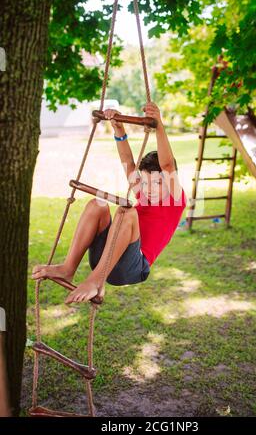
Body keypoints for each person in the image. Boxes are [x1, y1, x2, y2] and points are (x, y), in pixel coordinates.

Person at [32, 102, 187, 303]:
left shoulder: (174, 200)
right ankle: (68, 268)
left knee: (126, 212)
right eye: (145, 181)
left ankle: (96, 282)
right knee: (97, 204)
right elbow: (129, 162)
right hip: (106, 257)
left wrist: (159, 125)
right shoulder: (144, 194)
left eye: (157, 182)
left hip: (131, 269)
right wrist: (119, 129)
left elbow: (167, 164)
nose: (148, 187)